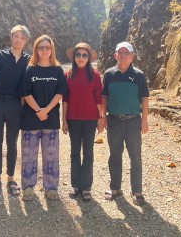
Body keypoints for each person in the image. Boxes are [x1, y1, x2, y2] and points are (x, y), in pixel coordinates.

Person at [101, 41, 149, 205]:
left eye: (126, 53)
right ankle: (115, 188)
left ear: (132, 56)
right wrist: (103, 116)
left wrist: (145, 121)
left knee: (135, 157)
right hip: (114, 120)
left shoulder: (138, 75)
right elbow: (104, 96)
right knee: (115, 156)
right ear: (115, 56)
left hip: (133, 121)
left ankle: (137, 191)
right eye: (120, 53)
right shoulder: (109, 74)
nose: (123, 56)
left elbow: (144, 98)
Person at [20, 35, 68, 201]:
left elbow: (60, 93)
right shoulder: (30, 69)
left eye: (47, 47)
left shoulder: (57, 70)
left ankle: (51, 187)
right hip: (30, 119)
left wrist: (46, 110)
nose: (44, 50)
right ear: (36, 50)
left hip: (51, 118)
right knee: (28, 155)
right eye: (41, 47)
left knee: (51, 155)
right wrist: (38, 110)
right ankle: (27, 187)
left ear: (52, 50)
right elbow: (26, 92)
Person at [0, 25, 31, 198]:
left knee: (12, 143)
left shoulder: (28, 60)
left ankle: (11, 179)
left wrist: (22, 105)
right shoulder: (0, 56)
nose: (18, 40)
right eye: (16, 36)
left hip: (14, 104)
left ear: (26, 41)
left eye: (22, 37)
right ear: (11, 37)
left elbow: (27, 86)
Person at [62, 43, 103, 202]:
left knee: (88, 153)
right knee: (74, 153)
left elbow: (98, 98)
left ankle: (86, 187)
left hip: (90, 119)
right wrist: (63, 119)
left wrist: (100, 119)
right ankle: (76, 186)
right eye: (78, 55)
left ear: (88, 58)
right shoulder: (68, 75)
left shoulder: (95, 75)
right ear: (74, 57)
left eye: (84, 55)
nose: (81, 57)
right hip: (73, 118)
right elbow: (65, 99)